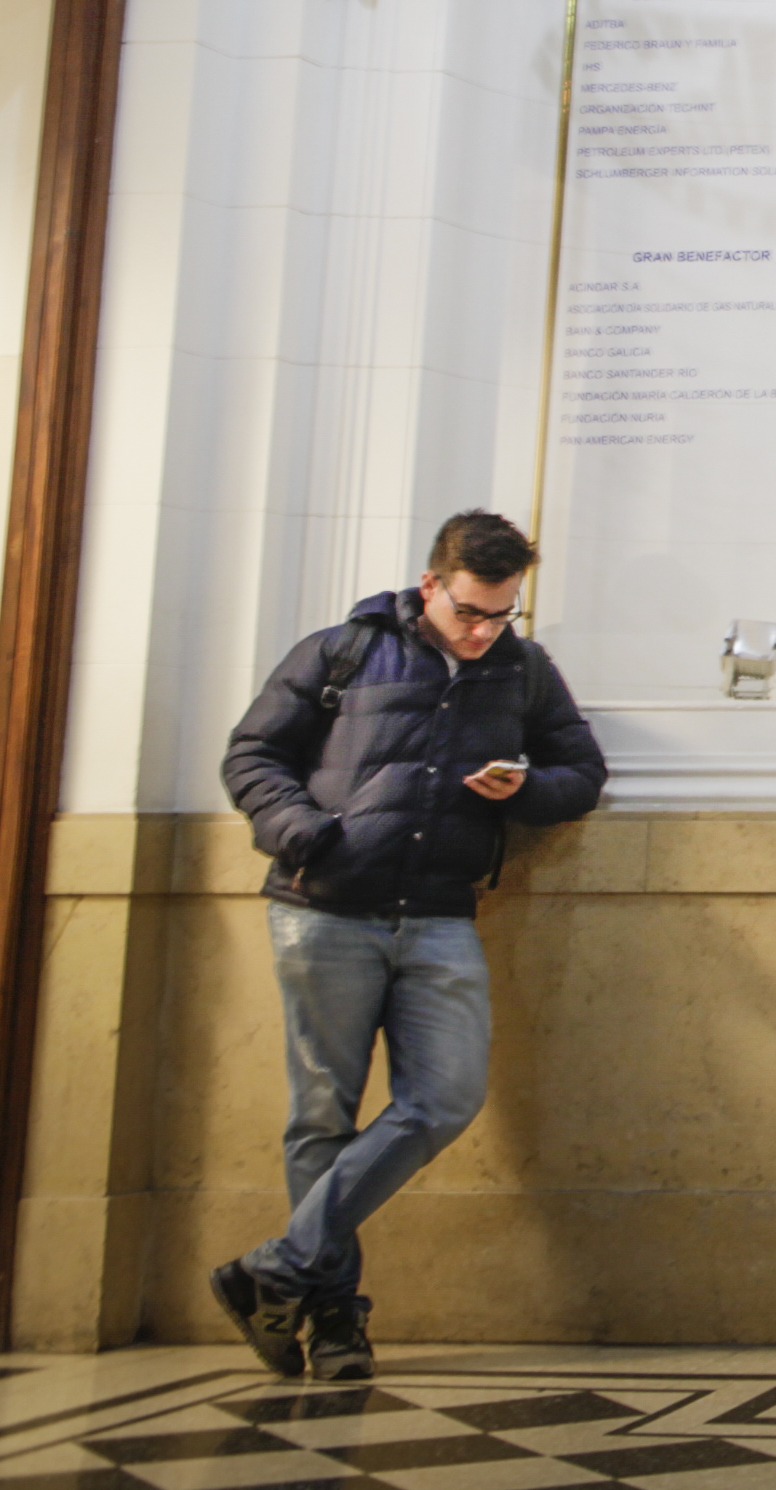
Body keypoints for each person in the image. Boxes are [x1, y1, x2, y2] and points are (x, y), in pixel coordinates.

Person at [211, 509, 608, 1382]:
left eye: (500, 614)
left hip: (438, 917)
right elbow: (251, 756)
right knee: (323, 1114)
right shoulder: (341, 651)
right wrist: (303, 830)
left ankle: (274, 1270)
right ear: (432, 585)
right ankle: (336, 1322)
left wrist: (525, 787)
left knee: (447, 1097)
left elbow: (584, 775)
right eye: (469, 611)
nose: (482, 632)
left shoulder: (524, 671)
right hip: (323, 910)